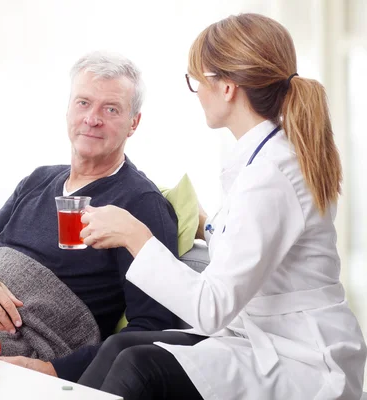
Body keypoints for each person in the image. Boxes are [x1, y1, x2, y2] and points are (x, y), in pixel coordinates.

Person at [76, 13, 367, 400]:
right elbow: (254, 244)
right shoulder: (264, 156)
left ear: (226, 87)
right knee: (119, 347)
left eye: (197, 81)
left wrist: (135, 235)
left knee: (138, 366)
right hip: (264, 335)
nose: (196, 92)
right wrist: (208, 227)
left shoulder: (273, 172)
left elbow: (212, 308)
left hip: (304, 357)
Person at [0, 51, 181, 382]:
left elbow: (154, 326)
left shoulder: (140, 204)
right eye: (83, 103)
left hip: (29, 346)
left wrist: (54, 369)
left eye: (110, 109)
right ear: (69, 109)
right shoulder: (38, 180)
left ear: (134, 123)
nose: (92, 118)